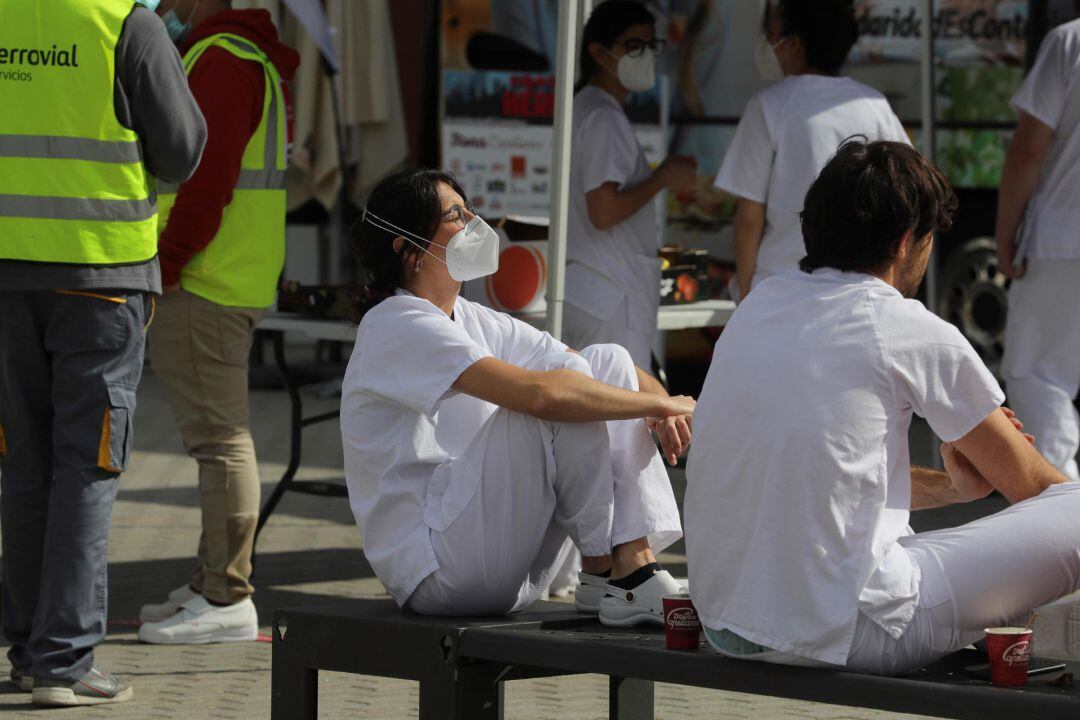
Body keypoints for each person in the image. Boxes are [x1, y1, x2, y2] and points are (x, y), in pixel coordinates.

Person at [685, 139, 1080, 676]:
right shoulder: (902, 324)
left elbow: (825, 479)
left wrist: (959, 488)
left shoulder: (758, 307)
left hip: (730, 624)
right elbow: (1038, 489)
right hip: (847, 631)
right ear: (903, 243)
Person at [341, 169, 694, 625]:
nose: (474, 221)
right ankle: (625, 571)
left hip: (493, 553)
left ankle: (611, 573)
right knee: (555, 392)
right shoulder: (395, 322)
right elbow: (541, 397)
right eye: (455, 214)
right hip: (437, 569)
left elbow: (591, 365)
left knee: (606, 359)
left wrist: (664, 400)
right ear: (408, 249)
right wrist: (660, 407)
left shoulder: (469, 316)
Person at [0, 0, 205, 705]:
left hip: (4, 278)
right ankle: (64, 661)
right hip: (101, 278)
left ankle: (30, 652)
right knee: (86, 467)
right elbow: (181, 152)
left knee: (23, 467)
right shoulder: (126, 25)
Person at [136, 0, 298, 644]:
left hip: (204, 277)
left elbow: (206, 182)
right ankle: (212, 582)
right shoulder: (243, 53)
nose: (162, 6)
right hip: (229, 273)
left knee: (219, 442)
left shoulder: (220, 57)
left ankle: (229, 595)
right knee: (219, 439)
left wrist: (167, 265)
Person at [715, 0, 908, 301]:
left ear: (793, 44)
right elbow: (907, 198)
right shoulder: (874, 105)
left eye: (772, 31)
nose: (766, 41)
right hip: (859, 289)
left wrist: (745, 294)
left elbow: (749, 217)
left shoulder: (769, 106)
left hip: (780, 289)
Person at [564, 0, 698, 371]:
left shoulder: (588, 108)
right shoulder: (604, 116)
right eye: (634, 46)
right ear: (598, 52)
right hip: (609, 294)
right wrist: (661, 179)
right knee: (617, 416)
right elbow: (603, 212)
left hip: (594, 291)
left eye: (651, 46)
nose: (646, 56)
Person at [997, 15, 1080, 483]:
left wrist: (1005, 235)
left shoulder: (1068, 42)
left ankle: (1067, 520)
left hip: (1064, 241)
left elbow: (1029, 148)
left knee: (1039, 376)